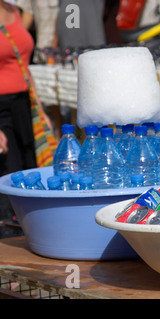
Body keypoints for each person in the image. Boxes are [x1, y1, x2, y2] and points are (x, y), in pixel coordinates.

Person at [0, 0, 37, 237]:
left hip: (23, 103)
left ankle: (32, 238)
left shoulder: (15, 10)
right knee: (8, 180)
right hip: (0, 110)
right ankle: (8, 255)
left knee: (30, 174)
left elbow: (23, 63)